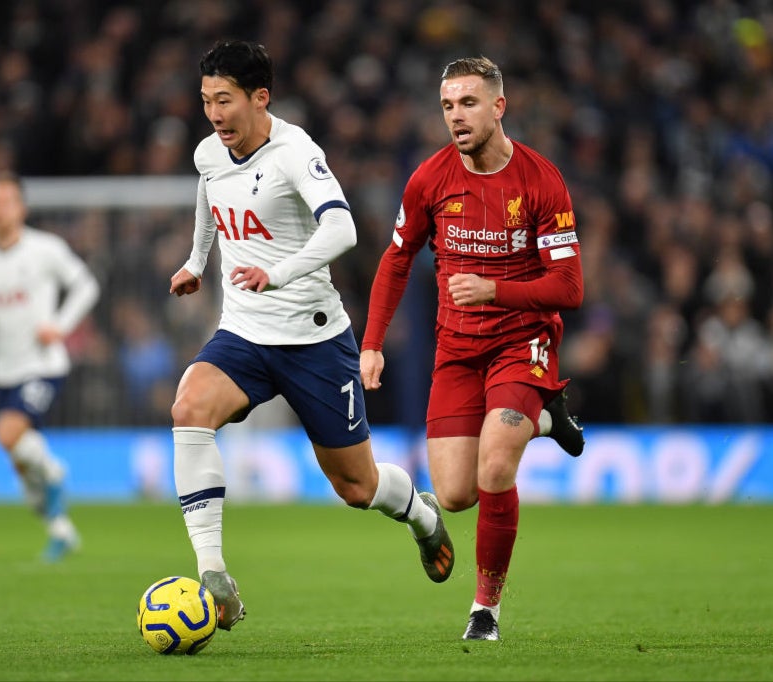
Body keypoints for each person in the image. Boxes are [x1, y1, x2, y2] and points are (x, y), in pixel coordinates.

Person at [169, 39, 454, 632]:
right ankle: (214, 573)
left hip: (314, 339)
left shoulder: (296, 152)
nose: (215, 114)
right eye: (206, 101)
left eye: (224, 100)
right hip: (244, 334)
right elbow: (208, 199)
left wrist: (276, 273)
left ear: (260, 97)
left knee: (356, 485)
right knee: (189, 408)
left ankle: (421, 516)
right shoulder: (208, 153)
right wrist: (197, 262)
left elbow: (343, 229)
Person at [360, 56, 585, 642]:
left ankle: (485, 609)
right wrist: (373, 344)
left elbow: (570, 287)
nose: (456, 116)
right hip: (457, 349)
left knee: (494, 466)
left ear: (498, 107)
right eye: (447, 106)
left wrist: (494, 289)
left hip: (522, 340)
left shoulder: (541, 180)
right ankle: (543, 415)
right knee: (456, 493)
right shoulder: (430, 179)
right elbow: (397, 258)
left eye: (468, 103)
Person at [0, 172, 100, 561]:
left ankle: (56, 472)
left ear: (21, 207)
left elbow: (86, 286)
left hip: (43, 366)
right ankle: (61, 530)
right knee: (26, 476)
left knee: (6, 432)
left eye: (6, 201)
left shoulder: (45, 248)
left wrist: (60, 326)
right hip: (3, 368)